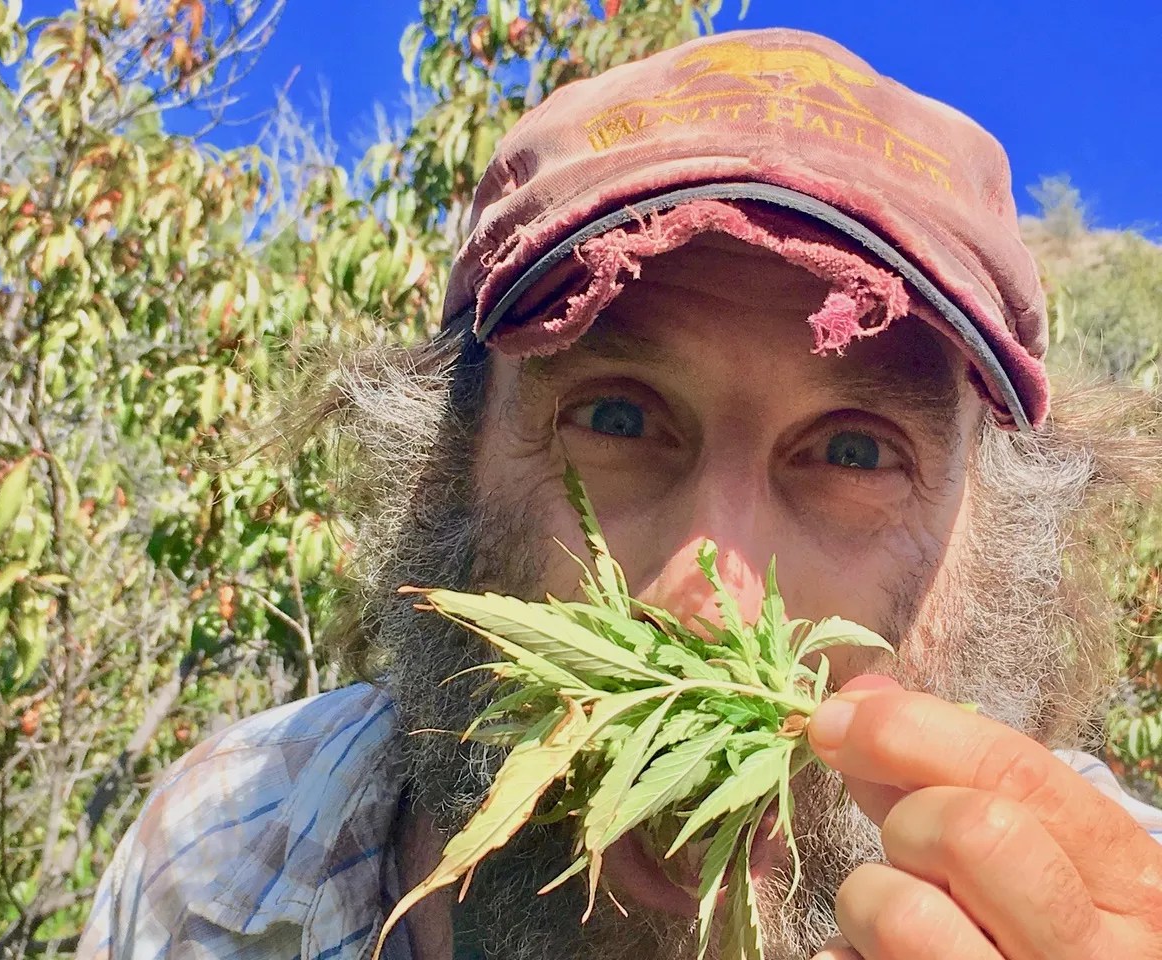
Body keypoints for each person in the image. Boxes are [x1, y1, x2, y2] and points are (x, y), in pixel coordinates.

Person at [76, 27, 1162, 960]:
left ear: (999, 554)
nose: (711, 604)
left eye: (852, 452)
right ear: (445, 470)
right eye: (617, 419)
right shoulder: (221, 862)